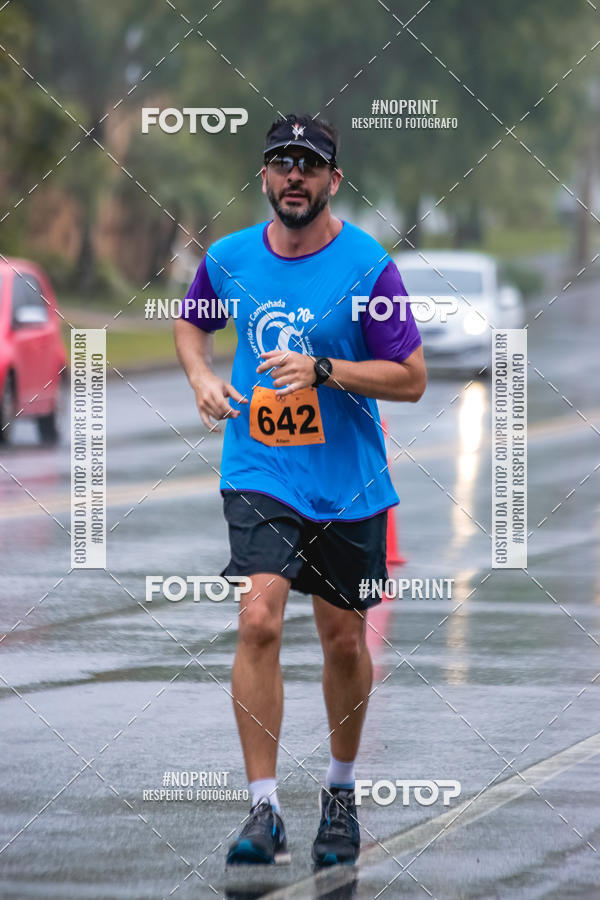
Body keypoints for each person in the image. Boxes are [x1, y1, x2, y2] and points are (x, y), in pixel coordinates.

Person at [173, 113, 426, 868]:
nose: (294, 176)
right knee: (258, 619)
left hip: (348, 483)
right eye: (282, 162)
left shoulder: (369, 267)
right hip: (261, 470)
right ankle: (264, 809)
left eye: (309, 165)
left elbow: (411, 377)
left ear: (332, 181)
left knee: (343, 639)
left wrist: (325, 371)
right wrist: (200, 376)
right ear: (264, 176)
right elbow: (190, 324)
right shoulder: (228, 258)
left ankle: (340, 794)